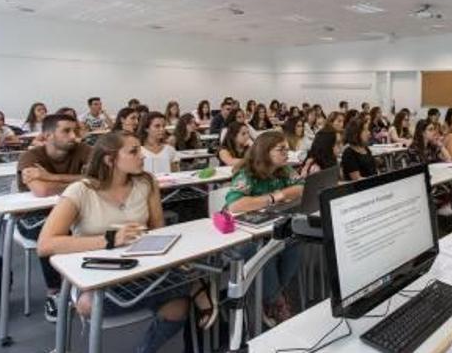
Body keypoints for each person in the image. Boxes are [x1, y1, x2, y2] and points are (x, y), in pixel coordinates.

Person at [37, 132, 208, 351]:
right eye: (133, 151)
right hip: (97, 275)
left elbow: (158, 230)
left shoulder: (146, 182)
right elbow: (45, 245)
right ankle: (196, 287)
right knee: (191, 283)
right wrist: (110, 239)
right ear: (110, 159)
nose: (142, 156)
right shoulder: (81, 191)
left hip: (142, 270)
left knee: (179, 306)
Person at [16, 113, 92, 321]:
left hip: (73, 212)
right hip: (33, 217)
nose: (74, 136)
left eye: (75, 130)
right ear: (48, 135)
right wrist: (80, 181)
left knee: (95, 224)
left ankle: (89, 282)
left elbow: (100, 177)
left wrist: (53, 178)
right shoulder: (31, 157)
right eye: (66, 131)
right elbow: (41, 190)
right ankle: (55, 292)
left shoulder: (83, 150)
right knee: (50, 233)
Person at [225, 132, 303, 325]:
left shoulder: (284, 170)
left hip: (270, 226)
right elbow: (235, 204)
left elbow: (301, 187)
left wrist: (278, 194)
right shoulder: (247, 172)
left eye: (287, 148)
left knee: (295, 241)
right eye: (281, 149)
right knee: (264, 251)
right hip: (244, 236)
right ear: (265, 152)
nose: (287, 153)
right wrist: (272, 198)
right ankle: (275, 301)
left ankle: (272, 296)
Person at [407, 119, 452, 216]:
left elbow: (449, 159)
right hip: (422, 181)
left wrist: (440, 145)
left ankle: (443, 205)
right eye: (430, 129)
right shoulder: (413, 149)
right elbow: (417, 170)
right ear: (422, 132)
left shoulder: (431, 147)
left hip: (435, 178)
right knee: (449, 185)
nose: (434, 132)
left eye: (434, 129)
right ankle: (440, 206)